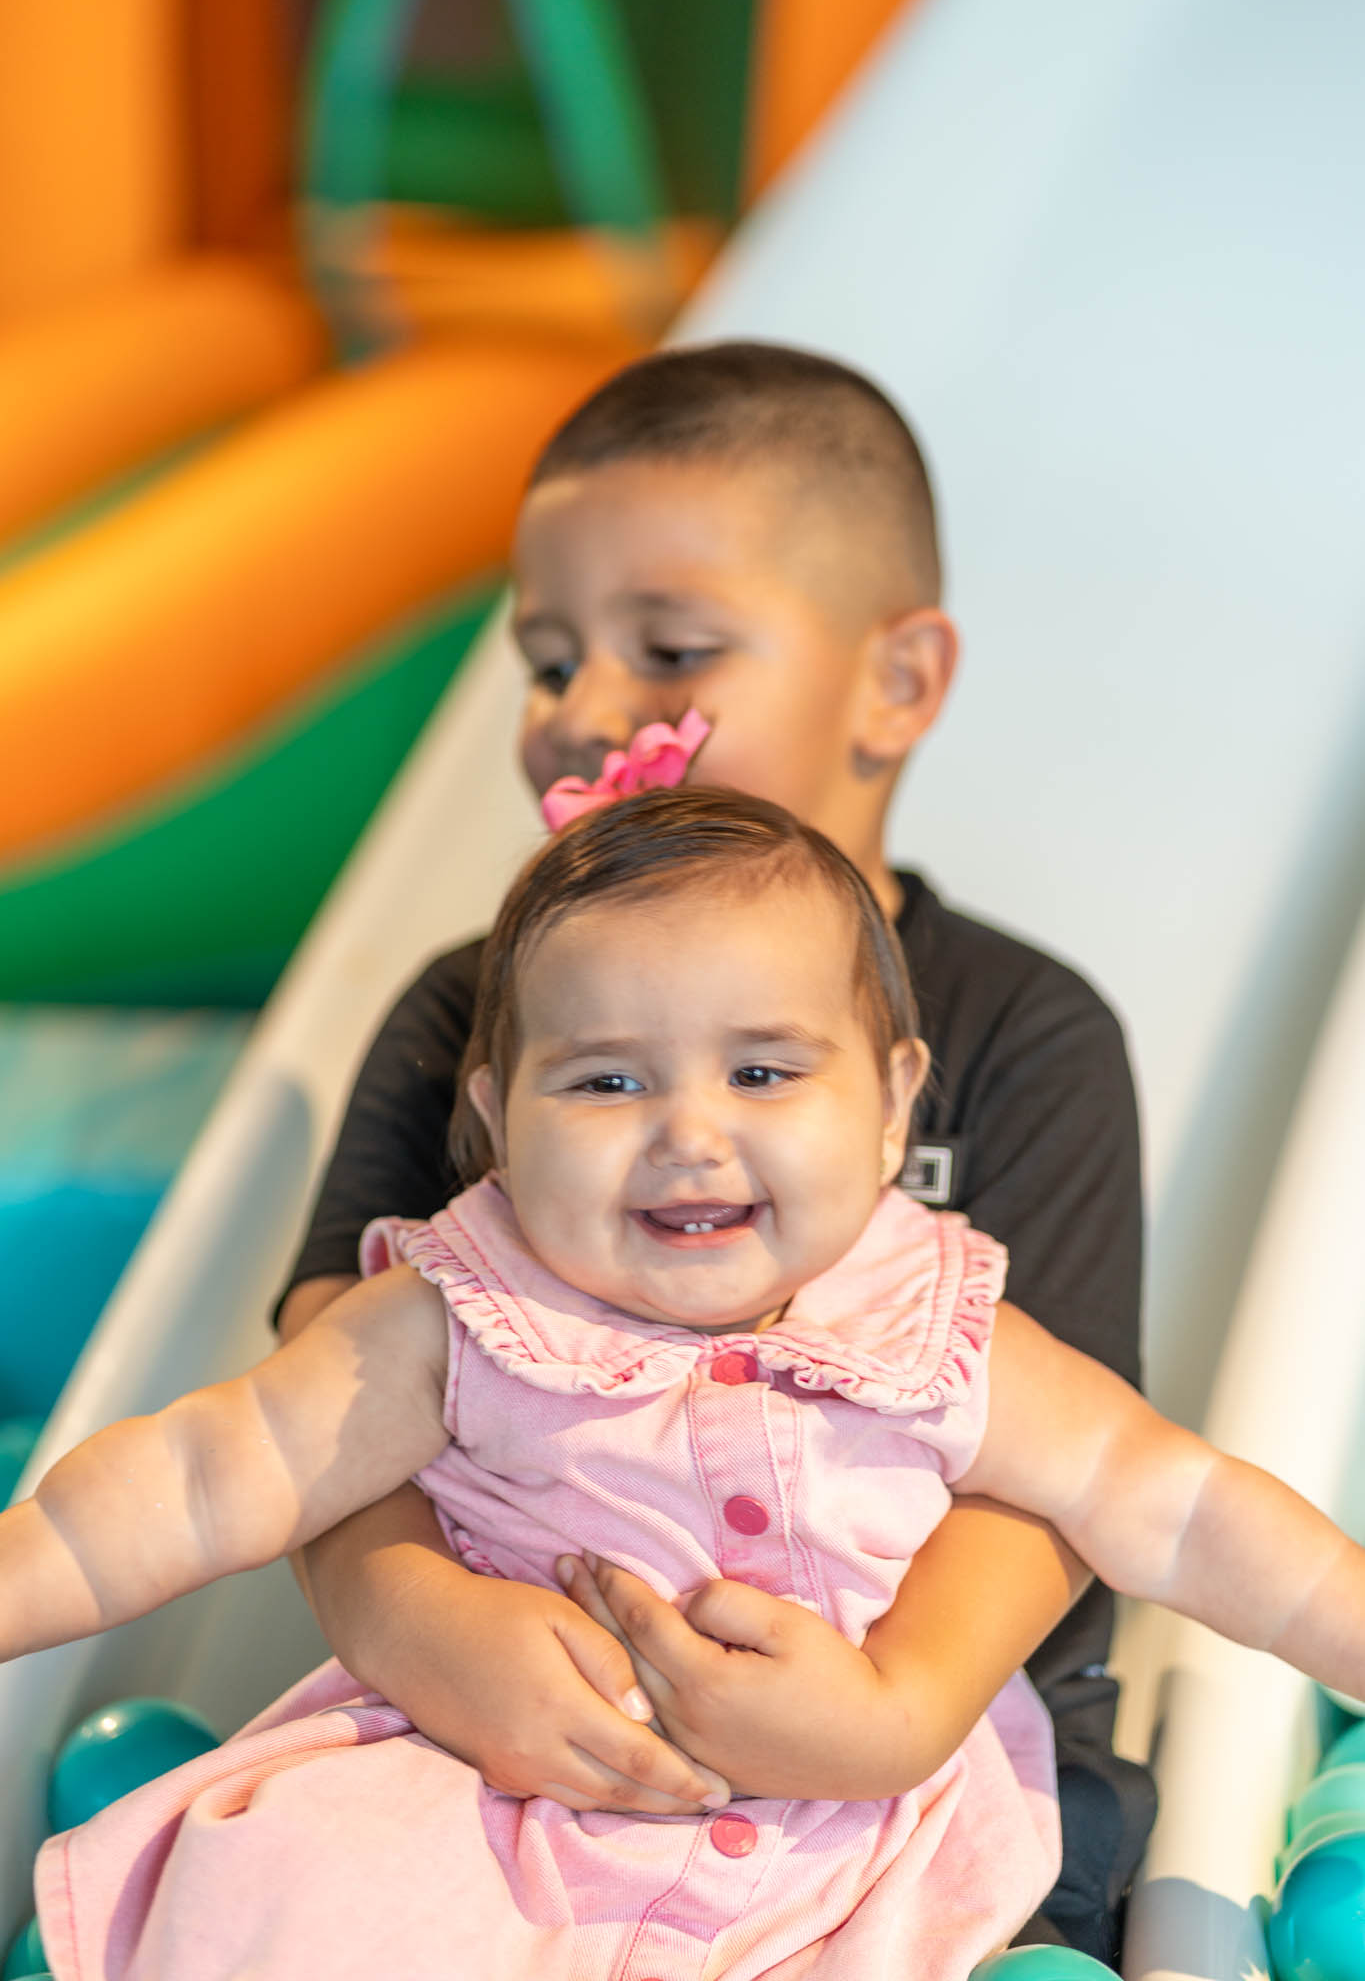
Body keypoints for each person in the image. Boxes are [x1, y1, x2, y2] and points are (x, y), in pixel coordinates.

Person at [25, 790, 1365, 1981]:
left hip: (834, 1854)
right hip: (478, 1805)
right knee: (296, 1907)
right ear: (498, 1120)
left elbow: (1177, 1511)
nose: (688, 1132)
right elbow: (207, 1474)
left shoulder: (943, 1326)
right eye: (607, 1079)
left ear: (893, 1103)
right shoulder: (453, 1313)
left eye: (763, 1071)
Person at [280, 340, 1150, 1958]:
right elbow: (322, 1393)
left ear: (894, 684)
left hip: (939, 1769)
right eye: (548, 659)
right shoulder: (469, 1016)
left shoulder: (1023, 1034)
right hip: (515, 1769)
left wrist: (896, 1709)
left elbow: (1070, 1475)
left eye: (667, 649)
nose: (581, 714)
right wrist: (414, 1622)